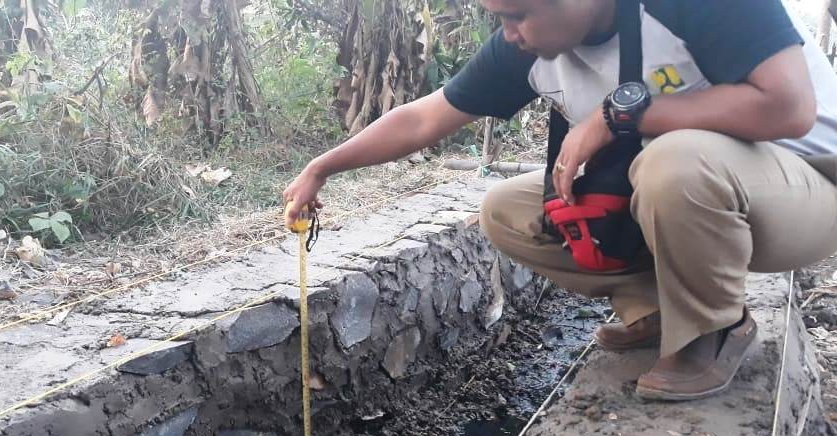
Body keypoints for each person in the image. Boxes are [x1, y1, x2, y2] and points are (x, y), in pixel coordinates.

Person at [282, 0, 837, 401]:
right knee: (509, 211)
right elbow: (426, 116)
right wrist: (322, 167)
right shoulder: (527, 48)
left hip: (806, 185)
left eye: (519, 14)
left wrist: (621, 114)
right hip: (698, 187)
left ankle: (713, 330)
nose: (510, 32)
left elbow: (787, 109)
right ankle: (653, 309)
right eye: (500, 17)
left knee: (674, 164)